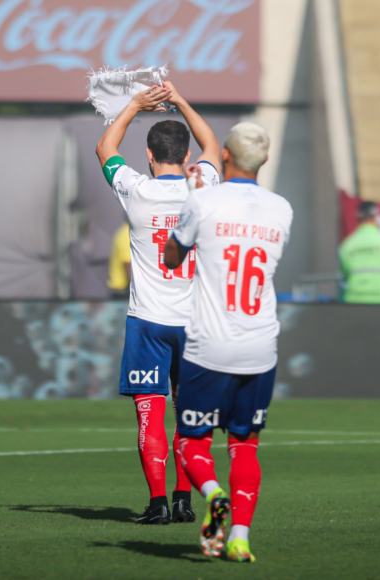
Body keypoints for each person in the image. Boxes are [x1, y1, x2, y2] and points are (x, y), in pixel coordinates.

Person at [163, 122, 293, 562]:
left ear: (223, 156)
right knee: (245, 443)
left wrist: (189, 202)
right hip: (261, 346)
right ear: (266, 161)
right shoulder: (282, 209)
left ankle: (213, 492)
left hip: (209, 345)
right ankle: (238, 536)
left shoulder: (202, 200)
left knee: (190, 440)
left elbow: (172, 256)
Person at [96, 81, 221, 525]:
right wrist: (181, 99)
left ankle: (157, 504)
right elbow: (213, 144)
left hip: (148, 322)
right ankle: (186, 499)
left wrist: (134, 104)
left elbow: (105, 147)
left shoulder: (135, 190)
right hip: (195, 323)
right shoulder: (202, 187)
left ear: (148, 156)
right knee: (190, 414)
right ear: (187, 158)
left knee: (150, 416)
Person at [338, 202, 380, 304]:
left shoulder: (347, 244)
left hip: (355, 301)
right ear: (376, 216)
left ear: (357, 218)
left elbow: (343, 273)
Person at [108, 222, 131, 299]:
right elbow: (128, 265)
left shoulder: (124, 232)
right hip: (124, 292)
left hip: (123, 291)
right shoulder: (127, 234)